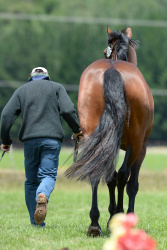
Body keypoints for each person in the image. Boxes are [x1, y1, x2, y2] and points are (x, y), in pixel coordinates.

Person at [0, 67, 82, 227]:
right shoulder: (57, 87)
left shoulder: (21, 90)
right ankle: (43, 194)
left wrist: (6, 140)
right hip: (52, 140)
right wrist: (77, 130)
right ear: (47, 77)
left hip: (29, 142)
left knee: (31, 182)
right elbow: (67, 110)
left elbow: (6, 115)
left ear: (30, 77)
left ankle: (36, 223)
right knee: (48, 176)